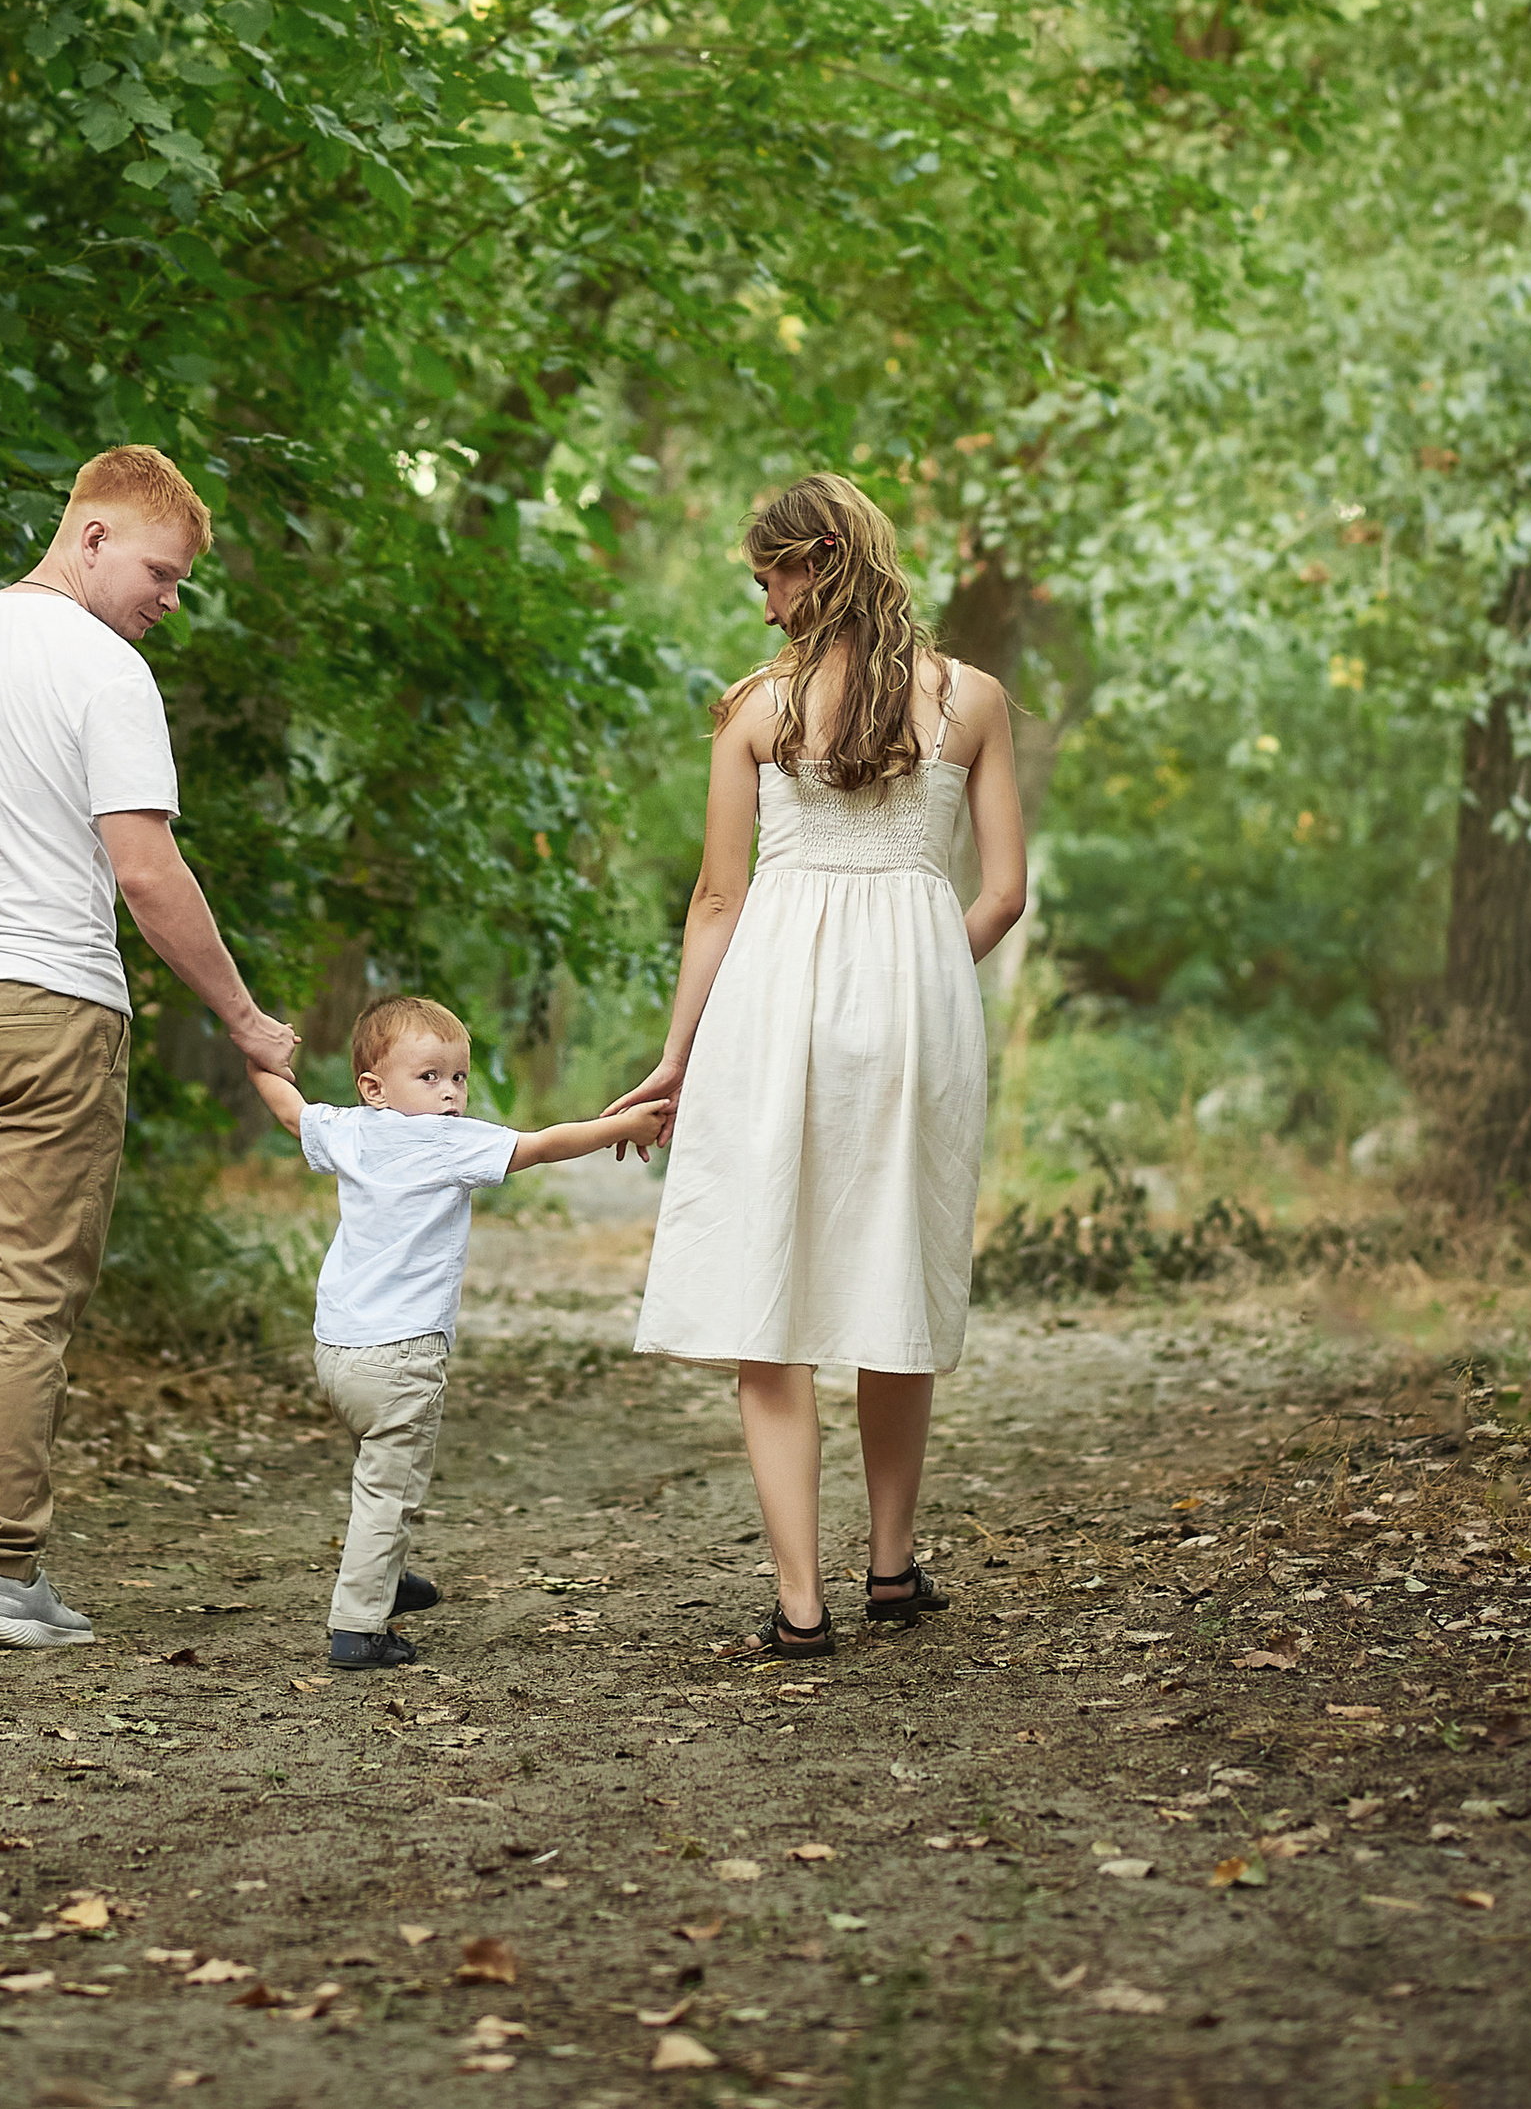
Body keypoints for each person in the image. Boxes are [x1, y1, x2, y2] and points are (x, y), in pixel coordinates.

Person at [0, 443, 300, 1652]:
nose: (170, 600)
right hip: (50, 1008)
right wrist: (246, 1020)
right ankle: (6, 1574)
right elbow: (144, 870)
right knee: (26, 1296)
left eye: (183, 582)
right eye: (161, 570)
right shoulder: (103, 670)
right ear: (88, 537)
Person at [616, 472, 1026, 1659]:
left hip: (773, 1001)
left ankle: (801, 1604)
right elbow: (1001, 895)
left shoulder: (756, 708)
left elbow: (716, 898)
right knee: (895, 1261)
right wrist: (918, 973)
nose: (762, 607)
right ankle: (890, 1569)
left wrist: (674, 1058)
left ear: (816, 565)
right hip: (918, 1006)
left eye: (768, 577)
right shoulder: (975, 701)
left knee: (772, 1289)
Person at [246, 997, 662, 1671]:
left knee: (376, 1468)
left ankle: (381, 1573)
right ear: (374, 1088)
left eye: (458, 1078)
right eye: (430, 1078)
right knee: (391, 1487)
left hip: (337, 1352)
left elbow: (288, 1109)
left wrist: (260, 1057)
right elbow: (545, 1144)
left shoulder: (351, 1129)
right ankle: (359, 1628)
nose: (449, 1095)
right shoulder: (448, 1143)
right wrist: (623, 1122)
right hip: (402, 1355)